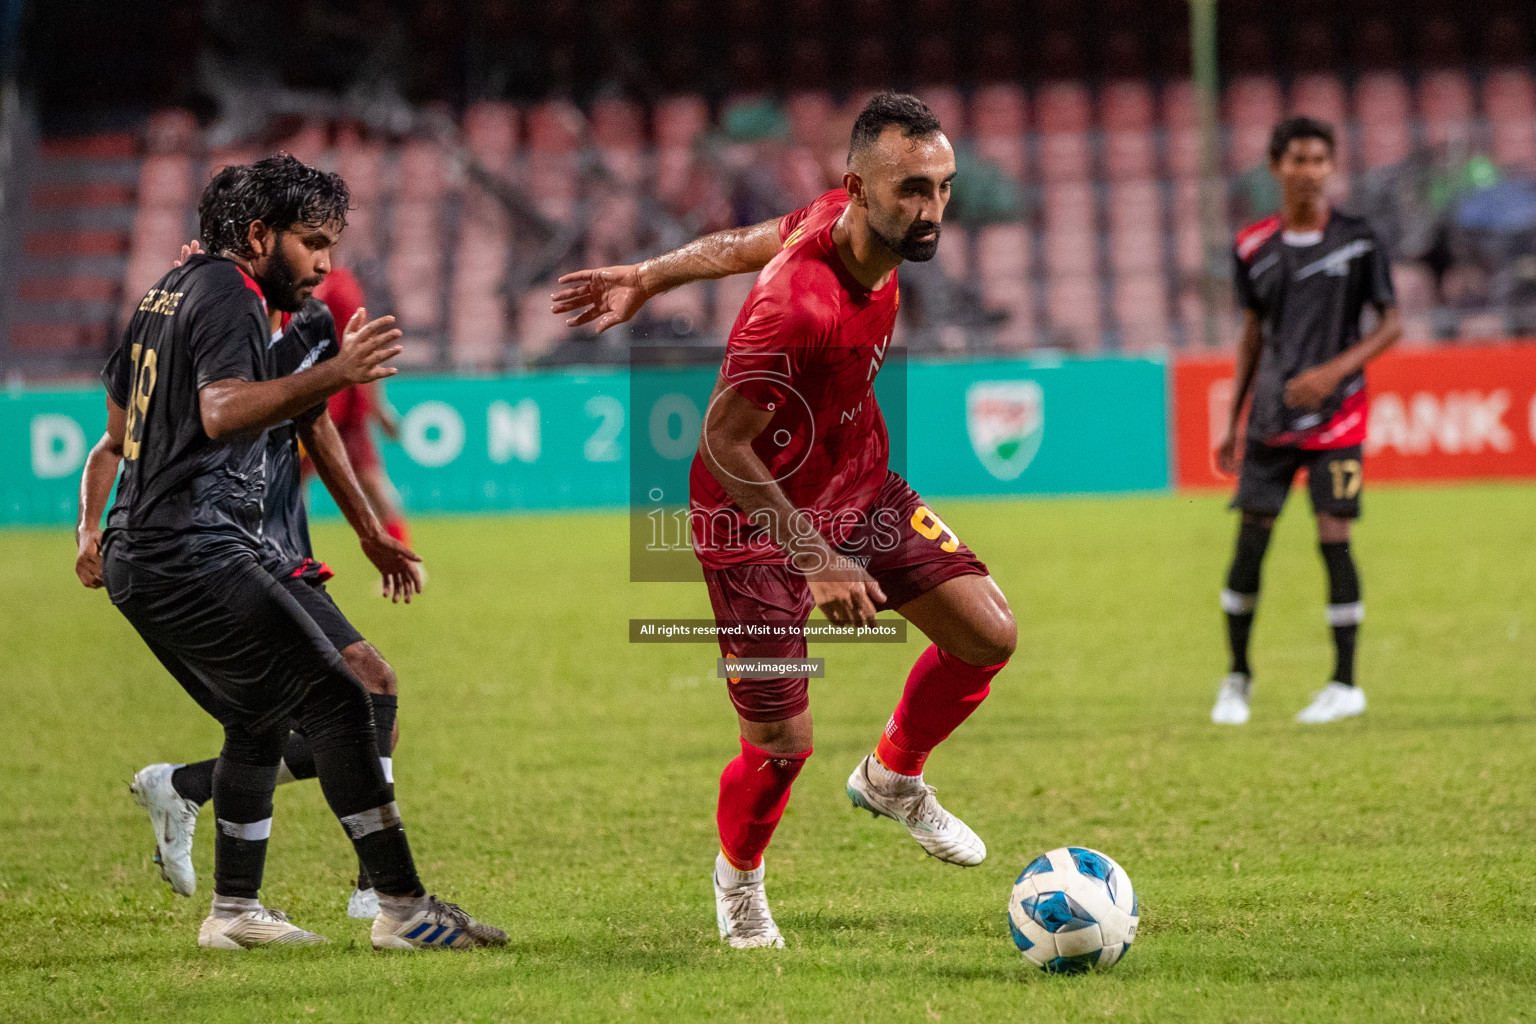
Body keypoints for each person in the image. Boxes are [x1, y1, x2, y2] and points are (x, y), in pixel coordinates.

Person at [553, 93, 1016, 949]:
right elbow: (724, 443)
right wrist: (817, 560)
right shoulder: (796, 307)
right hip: (753, 524)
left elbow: (737, 241)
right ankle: (740, 880)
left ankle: (892, 777)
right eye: (913, 189)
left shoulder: (845, 220)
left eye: (943, 187)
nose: (932, 210)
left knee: (988, 633)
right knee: (780, 746)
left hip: (858, 483)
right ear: (859, 186)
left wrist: (648, 275)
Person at [82, 154, 501, 949]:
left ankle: (234, 914)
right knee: (345, 700)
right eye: (312, 243)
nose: (325, 264)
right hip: (192, 547)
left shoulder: (167, 294)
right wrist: (341, 369)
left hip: (164, 549)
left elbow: (127, 421)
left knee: (258, 717)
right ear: (257, 235)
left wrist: (368, 527)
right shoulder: (230, 294)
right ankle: (402, 910)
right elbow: (222, 411)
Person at [1209, 117, 1401, 726]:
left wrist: (1333, 372)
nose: (1309, 170)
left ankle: (1345, 684)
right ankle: (1237, 678)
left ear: (1330, 166)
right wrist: (1232, 420)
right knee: (1250, 545)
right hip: (1270, 418)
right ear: (1276, 167)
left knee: (1334, 539)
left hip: (1339, 418)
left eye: (1320, 159)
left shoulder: (1360, 238)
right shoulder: (1251, 247)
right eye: (1298, 159)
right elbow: (1252, 336)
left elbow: (1392, 323)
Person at [305, 266, 413, 550]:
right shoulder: (304, 283)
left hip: (340, 403)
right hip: (310, 399)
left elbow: (361, 345)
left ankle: (403, 555)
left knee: (369, 480)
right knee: (291, 483)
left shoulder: (340, 286)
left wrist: (379, 408)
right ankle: (292, 558)